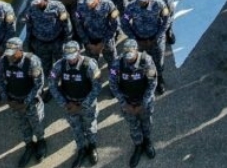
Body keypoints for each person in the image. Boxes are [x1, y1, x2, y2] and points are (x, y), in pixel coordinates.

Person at [0, 36, 47, 167]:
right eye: (8, 53)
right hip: (14, 101)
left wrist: (25, 103)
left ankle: (41, 142)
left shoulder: (32, 61)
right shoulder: (3, 61)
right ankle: (29, 145)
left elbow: (39, 84)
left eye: (13, 53)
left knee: (37, 124)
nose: (10, 57)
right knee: (23, 125)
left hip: (31, 102)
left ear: (20, 50)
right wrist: (8, 99)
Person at [49, 40, 101, 166]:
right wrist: (64, 103)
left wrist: (82, 105)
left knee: (90, 127)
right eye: (68, 57)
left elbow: (97, 87)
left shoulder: (90, 65)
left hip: (87, 104)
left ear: (78, 52)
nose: (70, 60)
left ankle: (92, 147)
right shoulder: (59, 65)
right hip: (70, 104)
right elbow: (52, 85)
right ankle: (81, 149)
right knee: (76, 128)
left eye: (73, 57)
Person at [109, 39, 159, 167]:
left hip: (144, 101)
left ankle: (147, 142)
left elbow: (153, 83)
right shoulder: (117, 63)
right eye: (127, 57)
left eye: (131, 56)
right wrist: (124, 104)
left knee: (146, 122)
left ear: (136, 51)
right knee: (133, 125)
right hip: (127, 103)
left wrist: (143, 103)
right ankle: (138, 146)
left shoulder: (146, 61)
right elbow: (113, 85)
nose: (129, 60)